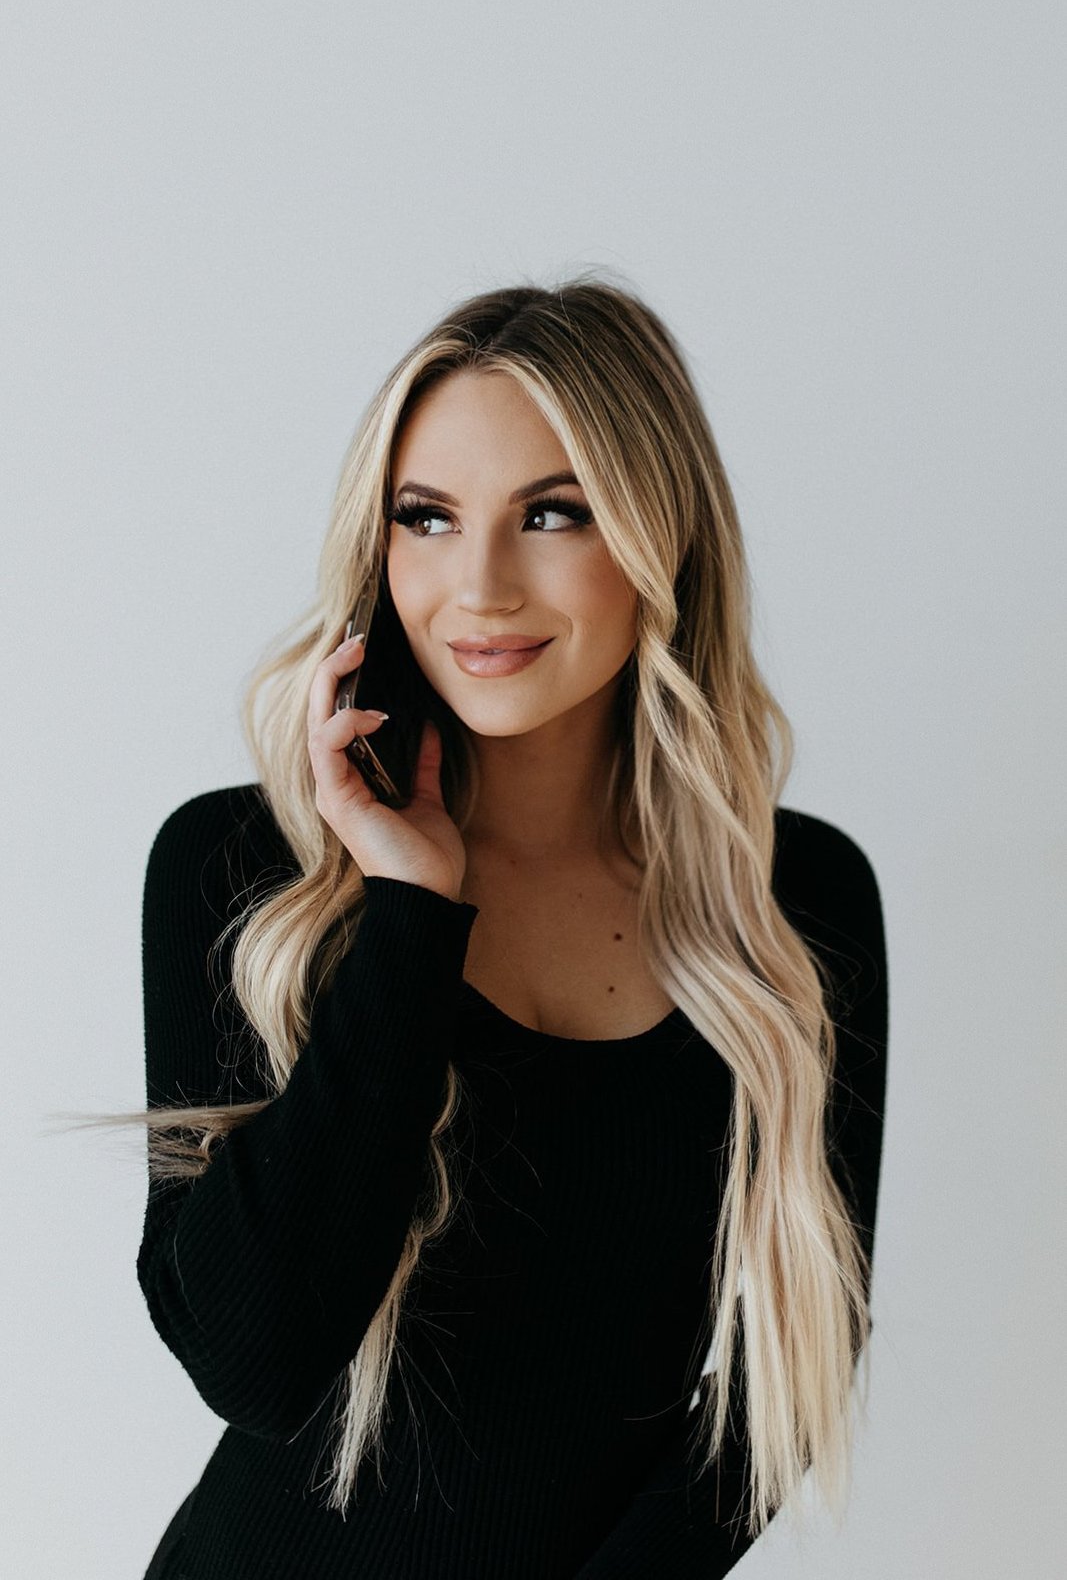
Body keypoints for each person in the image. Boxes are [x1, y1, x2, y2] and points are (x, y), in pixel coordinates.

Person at [137, 277, 888, 1579]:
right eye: (425, 519)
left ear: (660, 535)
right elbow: (251, 1364)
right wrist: (411, 914)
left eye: (553, 513)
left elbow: (790, 1379)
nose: (477, 585)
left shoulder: (798, 903)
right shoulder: (244, 872)